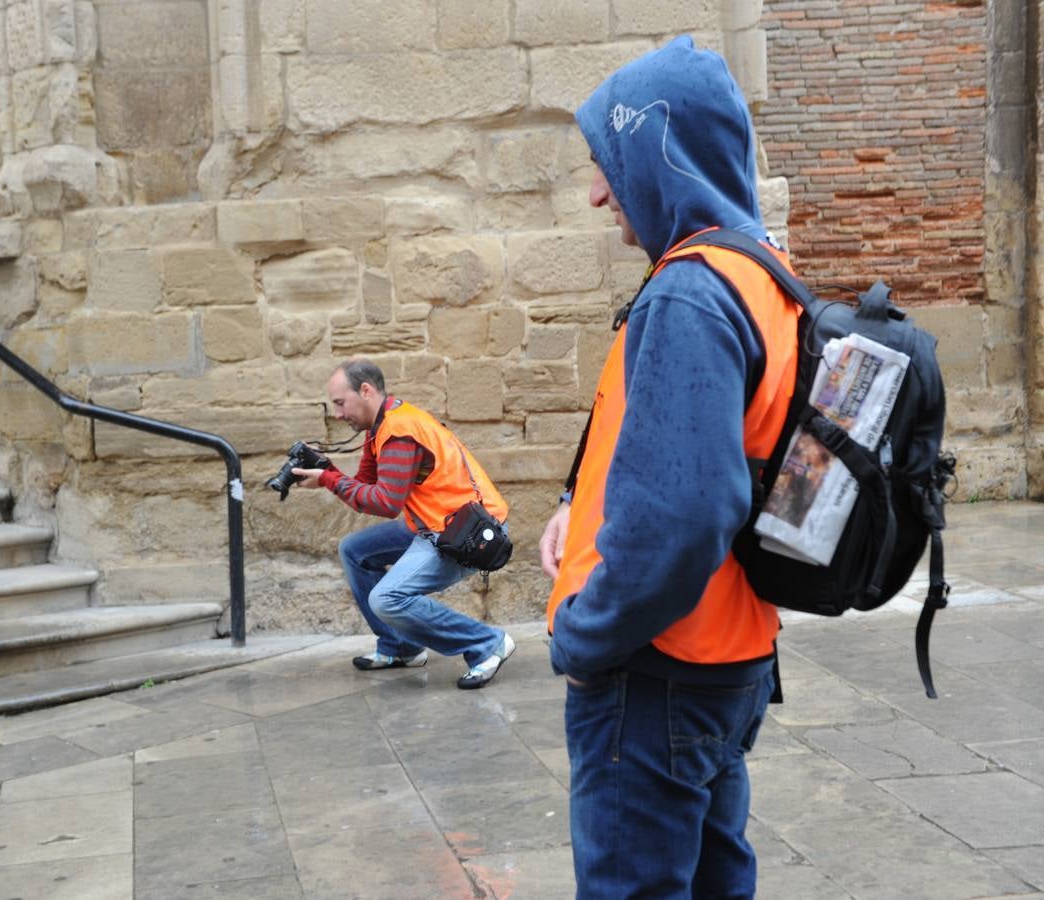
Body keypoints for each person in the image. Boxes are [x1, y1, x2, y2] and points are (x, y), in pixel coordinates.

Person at [538, 36, 801, 898]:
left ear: (659, 150)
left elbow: (686, 514)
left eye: (608, 162)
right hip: (729, 658)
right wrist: (579, 511)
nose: (597, 191)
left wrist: (587, 634)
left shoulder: (689, 291)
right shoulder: (761, 273)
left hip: (655, 671)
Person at [291, 359, 516, 690]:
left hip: (468, 535)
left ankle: (486, 643)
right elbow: (365, 486)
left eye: (341, 403)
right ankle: (401, 648)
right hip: (435, 523)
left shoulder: (398, 430)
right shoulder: (382, 426)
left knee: (387, 598)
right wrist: (326, 468)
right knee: (354, 551)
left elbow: (385, 502)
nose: (338, 414)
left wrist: (327, 480)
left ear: (365, 391)